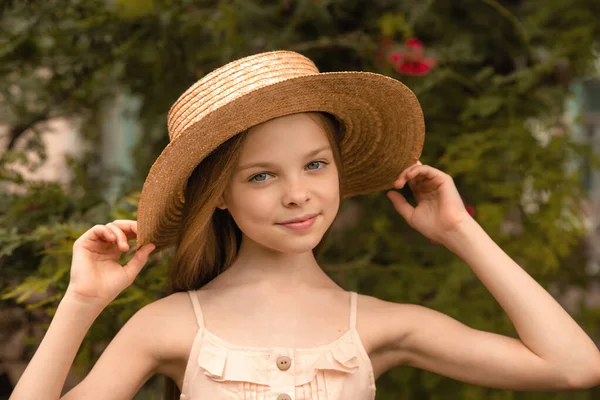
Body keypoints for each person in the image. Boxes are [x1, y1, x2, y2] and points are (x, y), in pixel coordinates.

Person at [10, 51, 600, 400]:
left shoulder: (379, 325)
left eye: (315, 165)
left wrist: (460, 232)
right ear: (219, 195)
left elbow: (574, 367)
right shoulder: (164, 326)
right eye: (261, 176)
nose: (298, 195)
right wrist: (81, 301)